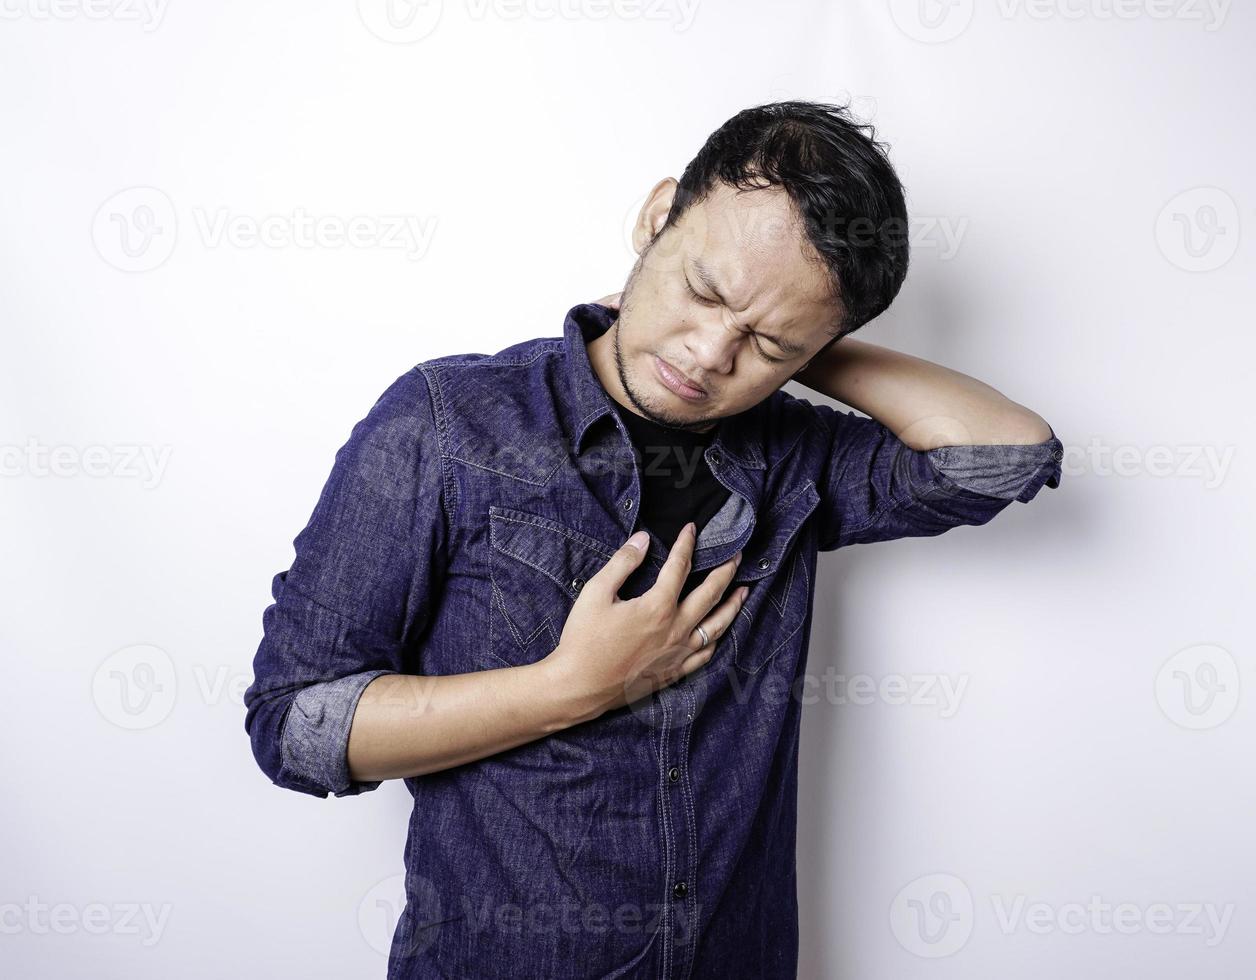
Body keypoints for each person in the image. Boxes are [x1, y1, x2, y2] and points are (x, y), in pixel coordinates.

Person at [243, 99, 1063, 979]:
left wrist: (798, 331)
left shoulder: (796, 457)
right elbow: (297, 726)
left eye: (767, 343)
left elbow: (1006, 458)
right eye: (704, 288)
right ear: (655, 215)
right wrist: (569, 687)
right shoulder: (446, 425)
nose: (711, 353)